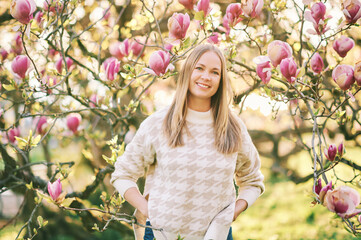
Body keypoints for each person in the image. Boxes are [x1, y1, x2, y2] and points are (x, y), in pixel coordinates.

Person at [110, 44, 265, 240]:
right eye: (199, 68)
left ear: (221, 80)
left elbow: (253, 181)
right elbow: (122, 174)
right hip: (161, 235)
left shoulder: (233, 128)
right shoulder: (158, 124)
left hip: (216, 235)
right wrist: (148, 209)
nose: (206, 77)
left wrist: (234, 211)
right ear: (187, 72)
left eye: (214, 72)